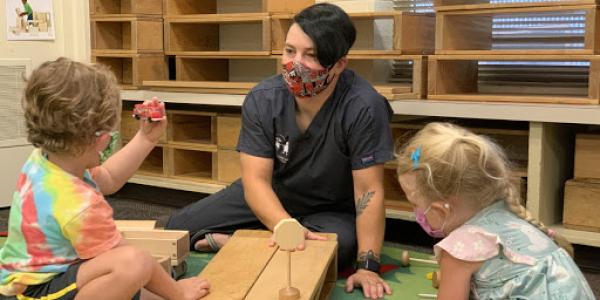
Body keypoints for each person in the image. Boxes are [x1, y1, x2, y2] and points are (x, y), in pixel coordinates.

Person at [166, 3, 394, 299]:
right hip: (271, 194)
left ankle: (234, 240)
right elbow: (256, 181)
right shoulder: (263, 98)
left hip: (330, 209)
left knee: (341, 250)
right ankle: (247, 237)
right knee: (177, 229)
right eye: (289, 51)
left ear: (339, 64)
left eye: (310, 55)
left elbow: (368, 192)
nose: (295, 64)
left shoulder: (364, 106)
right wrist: (285, 226)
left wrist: (368, 265)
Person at [0, 57, 210, 300]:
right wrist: (178, 293)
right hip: (36, 292)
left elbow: (108, 178)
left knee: (141, 277)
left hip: (29, 282)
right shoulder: (80, 203)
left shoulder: (47, 160)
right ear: (100, 138)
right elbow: (130, 262)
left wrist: (146, 139)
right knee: (135, 261)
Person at [396, 122, 595, 300]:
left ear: (441, 209)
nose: (416, 212)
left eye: (415, 203)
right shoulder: (509, 216)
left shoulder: (459, 250)